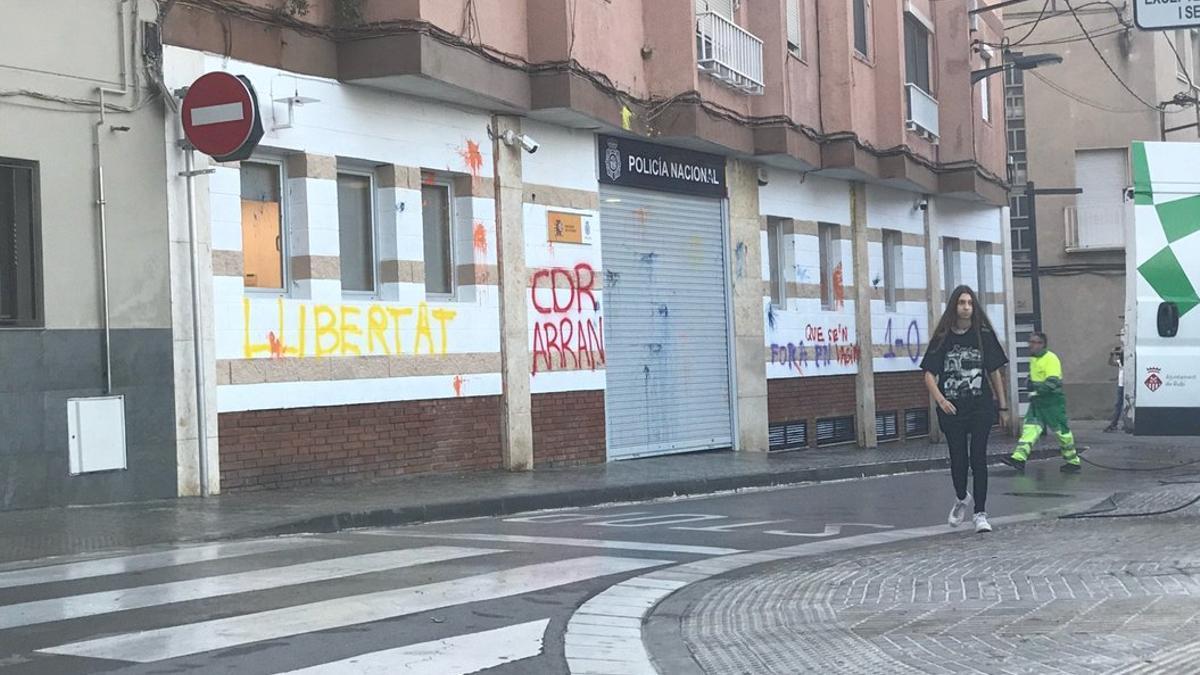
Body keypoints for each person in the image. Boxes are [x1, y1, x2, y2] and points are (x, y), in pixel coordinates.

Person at [920, 285, 1011, 534]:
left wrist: (1002, 406)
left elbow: (994, 371)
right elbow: (929, 373)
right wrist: (940, 399)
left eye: (970, 303)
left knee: (978, 458)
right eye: (962, 302)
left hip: (980, 406)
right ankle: (962, 497)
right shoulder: (943, 338)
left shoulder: (983, 335)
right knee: (959, 459)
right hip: (952, 409)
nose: (966, 307)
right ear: (954, 306)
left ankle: (980, 513)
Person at [1001, 332, 1081, 473]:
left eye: (1034, 342)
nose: (1030, 345)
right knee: (1030, 428)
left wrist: (1036, 391)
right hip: (1038, 402)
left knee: (1061, 432)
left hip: (1052, 402)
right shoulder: (1034, 359)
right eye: (1030, 341)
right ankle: (1019, 458)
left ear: (1042, 344)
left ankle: (1073, 461)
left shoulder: (1050, 358)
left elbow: (1052, 381)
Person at [1105, 337, 1126, 433]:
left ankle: (1115, 423)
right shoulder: (1122, 363)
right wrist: (1112, 354)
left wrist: (1114, 353)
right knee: (1119, 405)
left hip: (1123, 386)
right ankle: (1115, 423)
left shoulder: (1125, 362)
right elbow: (1110, 363)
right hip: (1121, 385)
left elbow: (1111, 363)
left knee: (1119, 405)